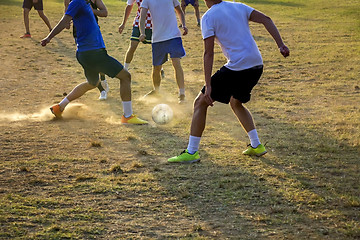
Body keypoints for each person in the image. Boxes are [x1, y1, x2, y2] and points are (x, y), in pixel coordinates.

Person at [168, 0, 290, 163]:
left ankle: (191, 152)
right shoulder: (238, 6)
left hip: (239, 66)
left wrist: (208, 86)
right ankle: (256, 145)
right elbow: (266, 19)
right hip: (256, 64)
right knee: (236, 102)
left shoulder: (208, 17)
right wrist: (280, 45)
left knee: (200, 102)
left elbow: (208, 53)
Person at [41, 0, 148, 125]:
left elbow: (103, 12)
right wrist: (49, 37)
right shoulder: (78, 2)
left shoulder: (84, 3)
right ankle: (128, 116)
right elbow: (64, 20)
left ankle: (60, 107)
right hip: (93, 53)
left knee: (93, 83)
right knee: (125, 76)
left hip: (85, 53)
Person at [139, 0, 188, 103]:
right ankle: (157, 91)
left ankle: (181, 94)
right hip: (158, 38)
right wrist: (142, 33)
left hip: (173, 35)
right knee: (157, 68)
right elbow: (142, 17)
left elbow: (179, 11)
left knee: (176, 62)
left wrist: (183, 24)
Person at [64, 0, 110, 100]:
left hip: (94, 33)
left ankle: (103, 79)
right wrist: (67, 22)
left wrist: (92, 11)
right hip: (79, 35)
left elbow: (104, 13)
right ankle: (101, 89)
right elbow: (66, 13)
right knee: (90, 63)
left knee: (99, 60)